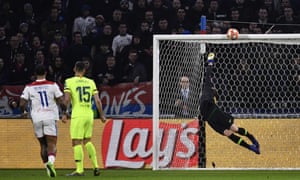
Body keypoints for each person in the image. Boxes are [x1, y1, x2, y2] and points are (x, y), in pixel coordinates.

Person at [199, 53, 260, 154]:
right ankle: (249, 147)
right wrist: (210, 62)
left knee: (234, 129)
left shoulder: (209, 92)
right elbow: (208, 73)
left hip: (215, 113)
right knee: (228, 133)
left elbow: (209, 74)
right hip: (210, 120)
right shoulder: (204, 89)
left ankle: (250, 137)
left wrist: (210, 62)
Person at [19, 64, 67, 177]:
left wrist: (24, 112)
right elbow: (61, 101)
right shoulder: (52, 85)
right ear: (45, 72)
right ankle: (51, 163)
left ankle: (47, 170)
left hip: (36, 118)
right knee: (52, 143)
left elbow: (22, 103)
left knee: (43, 145)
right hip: (50, 116)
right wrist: (65, 112)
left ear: (35, 74)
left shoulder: (29, 87)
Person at [62, 61, 106, 176]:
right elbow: (97, 100)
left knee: (76, 141)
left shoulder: (69, 82)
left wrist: (64, 113)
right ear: (85, 70)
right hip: (89, 114)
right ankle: (96, 166)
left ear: (74, 69)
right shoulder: (91, 82)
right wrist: (101, 115)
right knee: (87, 141)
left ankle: (79, 170)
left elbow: (66, 100)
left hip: (78, 115)